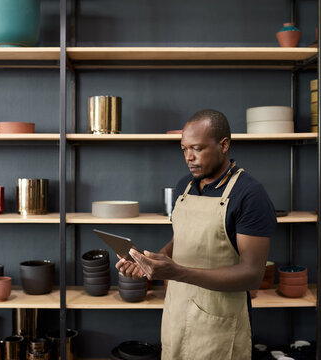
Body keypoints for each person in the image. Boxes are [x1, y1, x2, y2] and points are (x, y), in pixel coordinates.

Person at [116, 109, 276, 359]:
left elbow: (252, 275)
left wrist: (177, 272)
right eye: (184, 149)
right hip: (177, 314)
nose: (189, 157)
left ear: (224, 145)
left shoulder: (250, 194)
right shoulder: (185, 186)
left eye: (198, 149)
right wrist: (152, 261)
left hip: (219, 325)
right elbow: (182, 238)